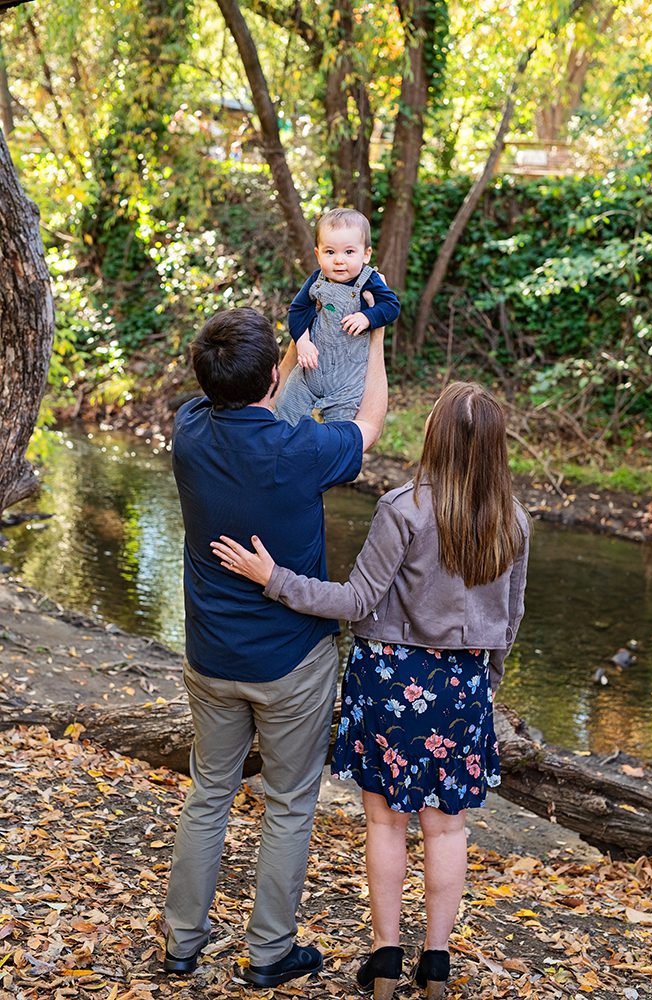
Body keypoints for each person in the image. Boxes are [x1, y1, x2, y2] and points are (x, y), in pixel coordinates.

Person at [211, 381, 531, 1000]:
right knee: (447, 830)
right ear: (497, 449)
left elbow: (355, 601)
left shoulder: (404, 508)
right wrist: (480, 686)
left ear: (434, 437)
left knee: (385, 827)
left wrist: (274, 578)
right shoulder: (513, 521)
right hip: (461, 686)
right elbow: (509, 622)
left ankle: (385, 963)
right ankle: (435, 966)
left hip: (388, 680)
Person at [164, 306, 387, 986]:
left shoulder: (189, 429)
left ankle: (181, 945)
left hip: (210, 655)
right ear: (270, 377)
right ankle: (268, 955)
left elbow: (243, 395)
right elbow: (370, 423)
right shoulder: (303, 451)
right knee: (289, 804)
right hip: (292, 660)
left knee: (209, 793)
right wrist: (373, 339)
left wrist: (285, 358)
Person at [274, 207, 400, 425]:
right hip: (310, 372)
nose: (339, 260)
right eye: (330, 252)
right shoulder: (317, 280)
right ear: (318, 253)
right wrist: (303, 342)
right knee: (283, 416)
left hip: (347, 382)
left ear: (366, 254)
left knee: (340, 434)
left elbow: (391, 306)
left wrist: (368, 317)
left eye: (349, 252)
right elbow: (298, 310)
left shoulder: (370, 280)